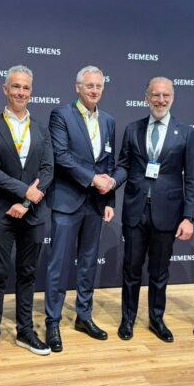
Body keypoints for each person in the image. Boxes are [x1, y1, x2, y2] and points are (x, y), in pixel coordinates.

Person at [0, 65, 54, 366]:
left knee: (28, 274)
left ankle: (25, 331)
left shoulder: (42, 129)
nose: (21, 92)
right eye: (16, 87)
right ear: (5, 89)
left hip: (33, 214)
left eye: (26, 88)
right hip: (1, 213)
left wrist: (27, 202)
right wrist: (25, 192)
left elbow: (48, 170)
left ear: (31, 92)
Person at [112, 77, 194, 342]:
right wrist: (112, 182)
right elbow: (123, 165)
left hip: (168, 213)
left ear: (172, 98)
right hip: (135, 211)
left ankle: (156, 319)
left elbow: (192, 178)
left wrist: (189, 217)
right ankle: (128, 319)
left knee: (160, 271)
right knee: (131, 269)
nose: (160, 100)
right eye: (155, 95)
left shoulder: (186, 133)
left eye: (165, 95)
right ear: (146, 97)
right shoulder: (132, 129)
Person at [45, 66, 116, 352]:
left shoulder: (109, 120)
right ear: (78, 87)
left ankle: (83, 316)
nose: (94, 90)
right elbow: (60, 156)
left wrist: (109, 199)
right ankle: (52, 321)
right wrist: (92, 179)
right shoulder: (61, 115)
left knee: (88, 263)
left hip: (96, 203)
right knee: (59, 264)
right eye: (89, 86)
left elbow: (108, 163)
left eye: (98, 86)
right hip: (67, 201)